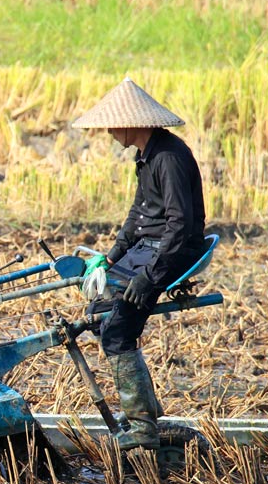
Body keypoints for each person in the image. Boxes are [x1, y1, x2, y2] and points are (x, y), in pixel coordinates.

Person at [72, 78, 207, 450]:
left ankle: (143, 426)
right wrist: (111, 255)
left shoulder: (170, 158)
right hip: (147, 248)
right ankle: (143, 411)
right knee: (99, 312)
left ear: (134, 122)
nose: (111, 131)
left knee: (117, 330)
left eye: (114, 124)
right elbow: (139, 213)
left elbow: (179, 228)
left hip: (169, 251)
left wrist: (150, 279)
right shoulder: (146, 156)